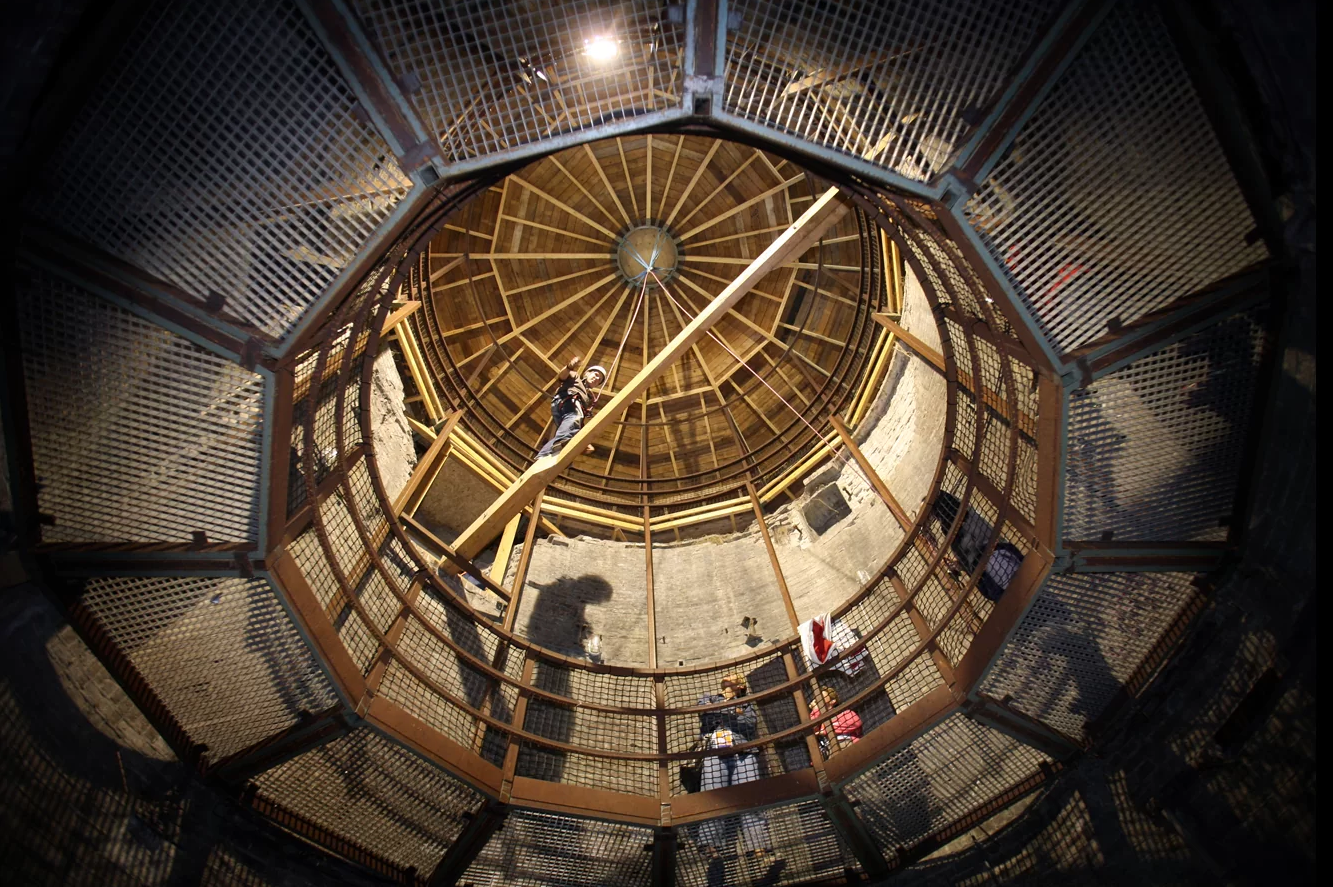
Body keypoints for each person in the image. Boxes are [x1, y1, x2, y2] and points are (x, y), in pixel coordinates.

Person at [696, 674, 773, 861]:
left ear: (740, 686)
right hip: (716, 752)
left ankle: (758, 846)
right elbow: (705, 713)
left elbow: (749, 723)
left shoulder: (747, 703)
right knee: (713, 794)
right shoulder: (710, 698)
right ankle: (710, 844)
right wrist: (733, 712)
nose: (727, 677)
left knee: (750, 798)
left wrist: (725, 712)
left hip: (744, 753)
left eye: (733, 677)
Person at [930, 491, 1022, 602]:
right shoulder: (962, 517)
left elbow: (975, 547)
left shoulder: (958, 520)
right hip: (989, 568)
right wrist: (960, 565)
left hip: (994, 562)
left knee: (1019, 596)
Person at [535, 356, 605, 459]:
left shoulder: (589, 397)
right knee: (575, 418)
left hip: (568, 413)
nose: (597, 379)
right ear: (587, 373)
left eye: (599, 380)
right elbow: (562, 377)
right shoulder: (575, 377)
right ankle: (559, 446)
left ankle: (545, 455)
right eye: (596, 374)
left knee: (572, 432)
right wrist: (569, 367)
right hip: (567, 403)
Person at [807, 685, 861, 756]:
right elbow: (812, 730)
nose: (818, 698)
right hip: (829, 750)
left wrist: (827, 730)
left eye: (822, 696)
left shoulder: (842, 712)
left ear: (832, 701)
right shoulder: (816, 716)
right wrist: (816, 710)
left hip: (846, 742)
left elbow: (856, 722)